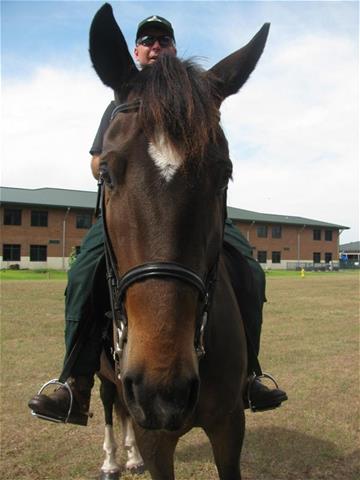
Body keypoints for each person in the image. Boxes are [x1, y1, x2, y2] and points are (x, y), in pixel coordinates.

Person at [29, 15, 287, 426]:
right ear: (136, 51)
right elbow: (97, 160)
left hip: (196, 209)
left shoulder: (197, 97)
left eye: (163, 39)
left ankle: (250, 374)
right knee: (82, 273)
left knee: (251, 272)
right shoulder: (119, 102)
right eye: (147, 40)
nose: (155, 45)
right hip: (134, 210)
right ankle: (74, 383)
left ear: (172, 47)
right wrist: (111, 166)